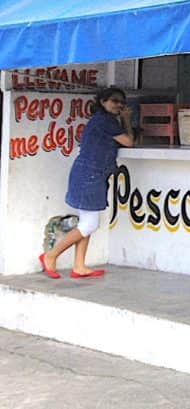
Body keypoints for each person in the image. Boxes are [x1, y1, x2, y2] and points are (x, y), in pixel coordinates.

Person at [39, 87, 134, 279]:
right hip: (90, 175)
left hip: (89, 174)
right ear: (103, 102)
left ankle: (79, 266)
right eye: (114, 101)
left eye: (121, 102)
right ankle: (51, 255)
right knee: (89, 224)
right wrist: (127, 119)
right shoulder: (105, 121)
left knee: (86, 222)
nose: (119, 105)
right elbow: (129, 141)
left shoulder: (102, 120)